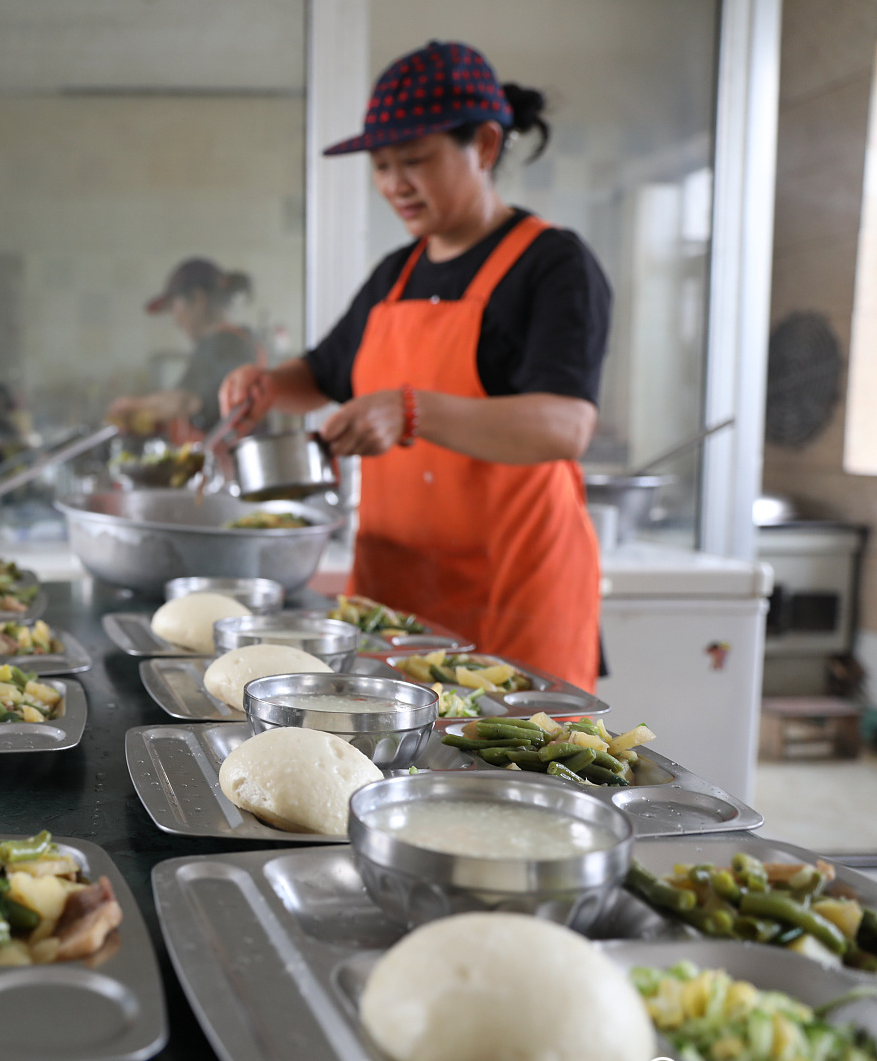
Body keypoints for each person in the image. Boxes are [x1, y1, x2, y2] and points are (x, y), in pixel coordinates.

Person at [220, 41, 610, 690]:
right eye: (381, 165)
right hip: (394, 605)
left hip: (511, 606)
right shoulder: (395, 275)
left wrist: (410, 409)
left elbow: (564, 425)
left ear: (484, 146)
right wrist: (265, 387)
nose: (393, 184)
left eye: (414, 160)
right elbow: (320, 374)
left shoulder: (552, 265)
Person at [108, 259, 261, 436]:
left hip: (228, 458)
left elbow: (186, 401)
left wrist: (132, 406)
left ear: (198, 298)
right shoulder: (231, 340)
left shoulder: (223, 344)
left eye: (173, 306)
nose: (174, 320)